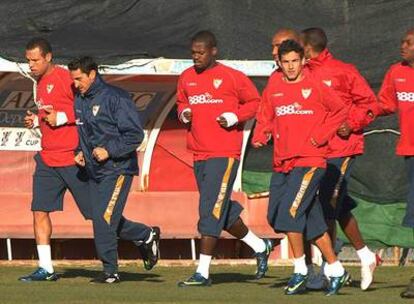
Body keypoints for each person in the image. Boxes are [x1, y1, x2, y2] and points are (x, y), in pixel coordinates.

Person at [176, 30, 273, 287]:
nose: (195, 57)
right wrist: (184, 112)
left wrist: (234, 116)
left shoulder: (232, 77)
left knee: (210, 210)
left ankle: (203, 272)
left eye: (201, 52)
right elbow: (181, 102)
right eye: (193, 52)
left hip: (224, 153)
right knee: (220, 209)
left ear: (214, 51)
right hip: (198, 153)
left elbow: (256, 103)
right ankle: (260, 245)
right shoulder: (186, 77)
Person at [252, 39, 348, 296]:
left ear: (303, 61)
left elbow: (340, 110)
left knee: (291, 214)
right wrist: (261, 134)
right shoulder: (274, 85)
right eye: (286, 62)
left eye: (296, 61)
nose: (291, 66)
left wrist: (320, 135)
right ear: (279, 63)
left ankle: (300, 271)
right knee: (283, 217)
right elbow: (265, 114)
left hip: (309, 161)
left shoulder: (315, 84)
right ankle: (337, 269)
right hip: (282, 163)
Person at [68, 56, 160, 284]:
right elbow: (86, 134)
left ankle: (110, 272)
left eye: (79, 79)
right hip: (93, 171)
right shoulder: (79, 99)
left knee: (104, 219)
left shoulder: (115, 97)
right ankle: (145, 235)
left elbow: (135, 135)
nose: (76, 84)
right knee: (101, 217)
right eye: (73, 80)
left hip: (117, 169)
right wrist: (80, 151)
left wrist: (109, 150)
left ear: (92, 74)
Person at [301, 27, 380, 291]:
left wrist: (351, 122)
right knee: (336, 205)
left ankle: (329, 268)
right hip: (315, 151)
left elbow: (370, 104)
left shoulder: (343, 70)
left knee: (327, 204)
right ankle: (366, 256)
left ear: (309, 48)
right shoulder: (301, 73)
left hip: (341, 148)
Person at [18, 38, 92, 282]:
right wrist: (36, 119)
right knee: (39, 211)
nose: (31, 65)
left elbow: (86, 106)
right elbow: (48, 112)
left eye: (35, 60)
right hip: (48, 159)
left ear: (48, 57)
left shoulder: (63, 77)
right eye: (28, 60)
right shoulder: (39, 83)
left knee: (96, 212)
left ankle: (142, 235)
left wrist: (61, 117)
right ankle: (46, 268)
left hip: (72, 157)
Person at [376, 28, 414, 299]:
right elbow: (383, 104)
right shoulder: (396, 72)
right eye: (403, 41)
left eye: (409, 43)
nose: (403, 46)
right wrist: (354, 114)